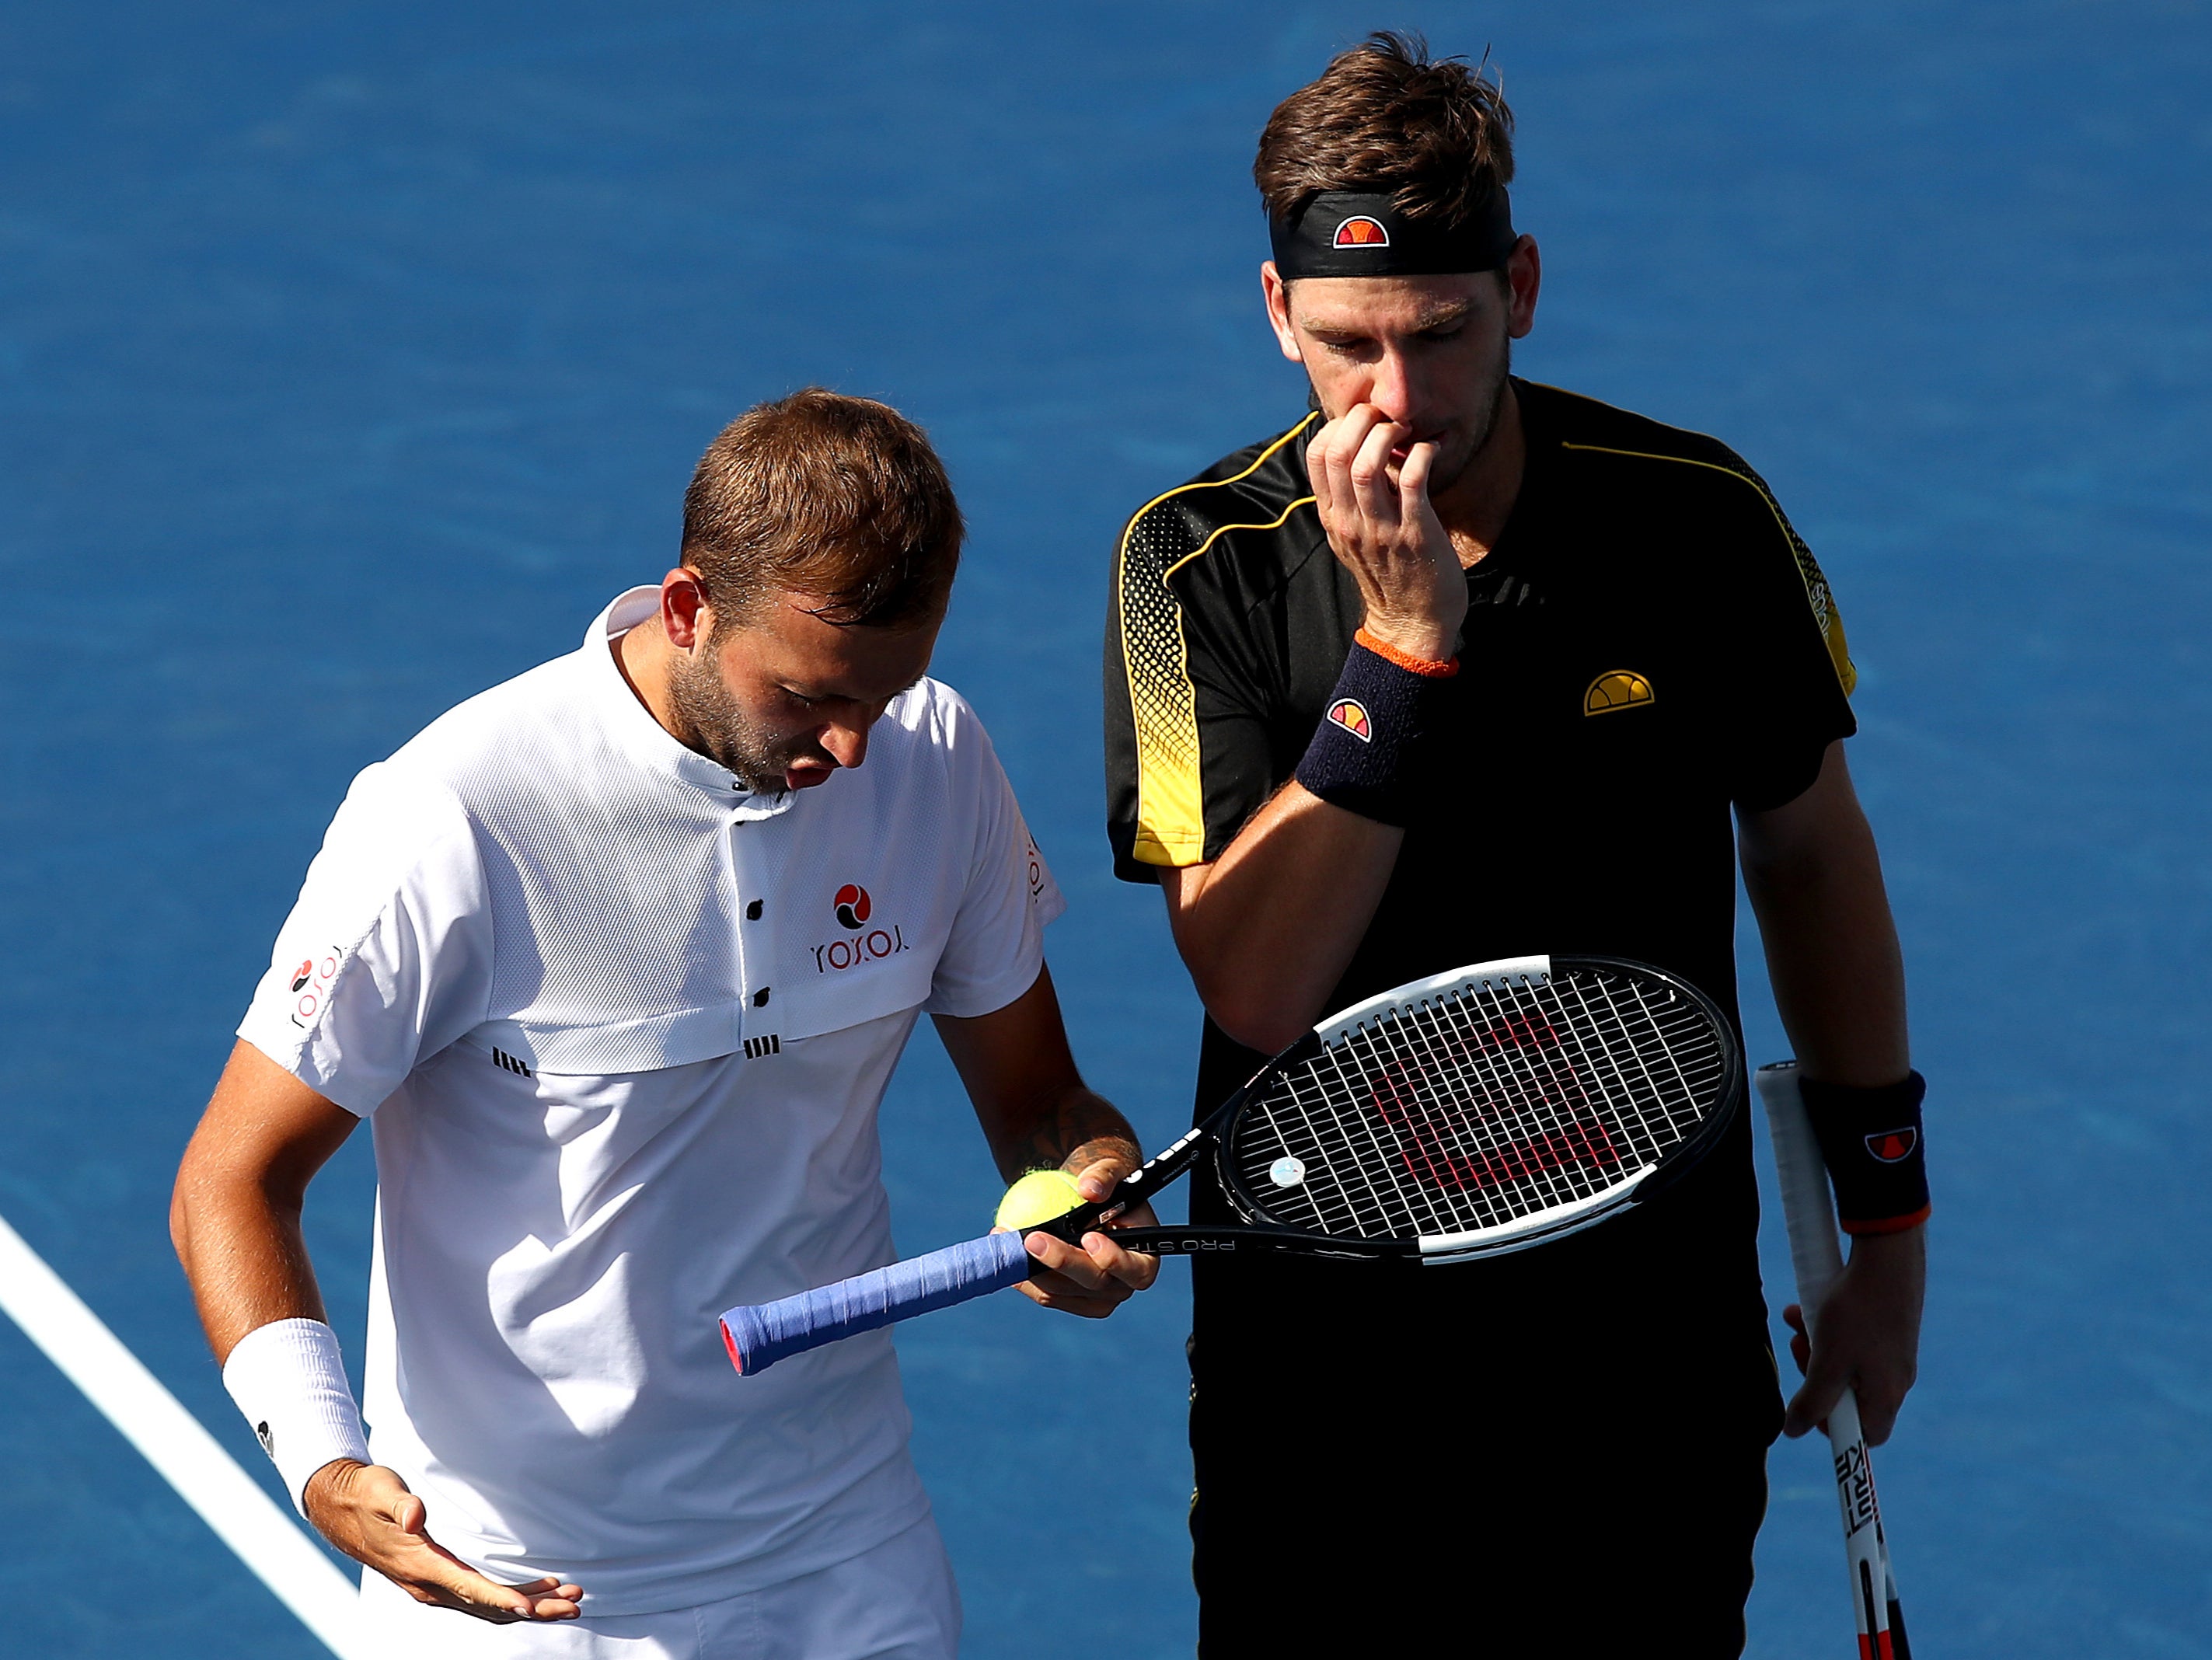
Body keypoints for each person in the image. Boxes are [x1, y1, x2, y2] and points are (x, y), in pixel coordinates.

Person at [1103, 35, 1928, 1655]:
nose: (1396, 402)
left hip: (1643, 1333)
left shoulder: (1697, 521)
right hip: (1324, 1363)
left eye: (1441, 333)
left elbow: (1814, 864)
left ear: (1522, 289)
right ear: (1276, 311)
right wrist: (1402, 657)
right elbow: (1255, 986)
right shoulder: (1194, 566)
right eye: (1346, 346)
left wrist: (1886, 1234)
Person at [173, 388, 1157, 1660]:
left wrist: (1086, 1181)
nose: (855, 748)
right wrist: (322, 1460)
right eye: (810, 697)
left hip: (848, 1553)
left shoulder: (936, 753)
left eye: (889, 689)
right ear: (688, 610)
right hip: (523, 1594)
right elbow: (233, 1176)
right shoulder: (454, 815)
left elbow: (1042, 1108)